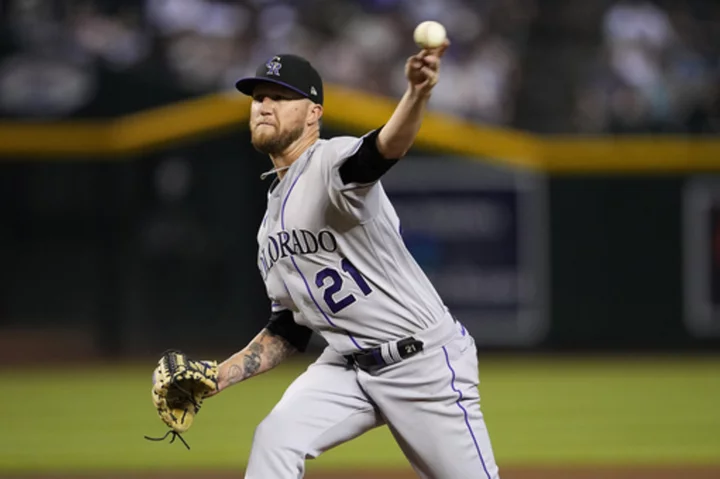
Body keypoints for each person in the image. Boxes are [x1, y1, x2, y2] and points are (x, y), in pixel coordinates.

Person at [210, 44, 501, 479]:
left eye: (280, 96)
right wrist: (214, 379)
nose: (265, 106)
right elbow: (287, 330)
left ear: (313, 114)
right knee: (275, 439)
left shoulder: (329, 163)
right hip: (346, 366)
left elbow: (382, 150)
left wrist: (417, 95)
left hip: (422, 364)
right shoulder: (269, 226)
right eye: (258, 98)